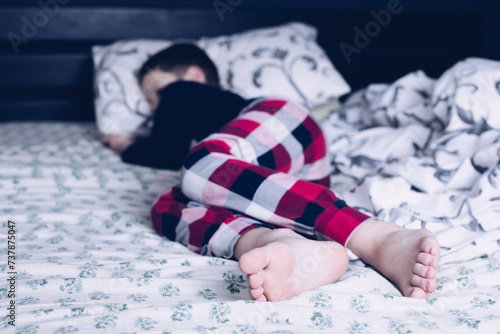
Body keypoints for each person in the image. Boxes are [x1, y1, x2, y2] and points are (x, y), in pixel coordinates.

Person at [102, 43, 440, 302]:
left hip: (285, 122)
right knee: (167, 205)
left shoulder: (182, 91)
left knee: (199, 165)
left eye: (154, 97)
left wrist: (124, 145)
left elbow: (167, 150)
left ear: (193, 77)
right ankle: (283, 242)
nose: (153, 109)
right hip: (290, 182)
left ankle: (370, 235)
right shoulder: (201, 113)